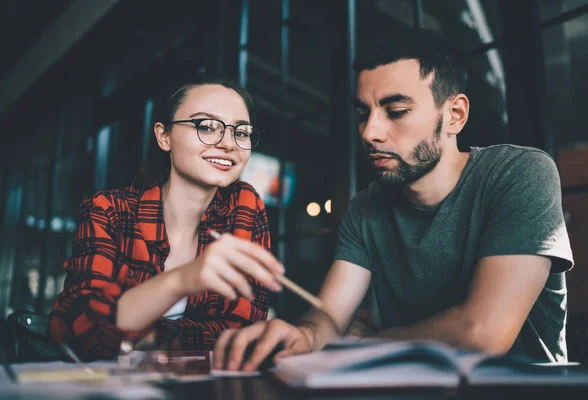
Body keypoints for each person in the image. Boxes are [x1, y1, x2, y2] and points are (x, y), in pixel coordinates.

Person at [213, 29, 574, 371]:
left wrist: (364, 342)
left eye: (396, 111)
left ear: (454, 115)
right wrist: (304, 334)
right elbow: (330, 316)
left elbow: (483, 333)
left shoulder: (520, 173)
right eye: (362, 114)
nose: (370, 132)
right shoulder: (366, 207)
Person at [48, 78, 285, 360]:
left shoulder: (245, 205)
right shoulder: (109, 210)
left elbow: (243, 330)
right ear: (164, 136)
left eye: (242, 133)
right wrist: (182, 279)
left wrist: (151, 335)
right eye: (206, 126)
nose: (228, 144)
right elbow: (81, 330)